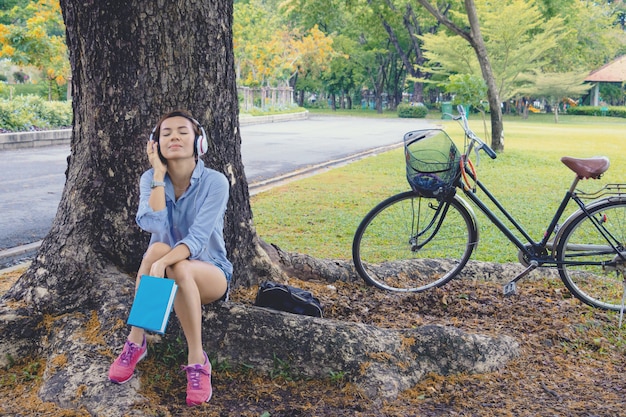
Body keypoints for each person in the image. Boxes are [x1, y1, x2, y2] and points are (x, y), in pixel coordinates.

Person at [108, 110, 232, 407]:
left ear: (198, 143)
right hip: (166, 266)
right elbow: (154, 225)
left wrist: (164, 264)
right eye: (166, 133)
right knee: (156, 250)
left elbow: (198, 239)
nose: (174, 137)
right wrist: (159, 178)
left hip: (210, 272)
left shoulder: (215, 182)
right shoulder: (151, 178)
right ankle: (136, 340)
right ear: (156, 144)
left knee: (168, 260)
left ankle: (197, 359)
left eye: (182, 131)